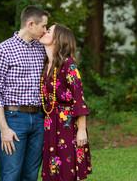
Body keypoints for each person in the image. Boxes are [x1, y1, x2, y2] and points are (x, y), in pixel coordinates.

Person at [0, 5, 50, 181]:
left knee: (31, 175)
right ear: (31, 24)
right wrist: (4, 128)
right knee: (11, 175)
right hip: (13, 119)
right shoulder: (2, 50)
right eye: (43, 26)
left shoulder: (41, 49)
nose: (45, 31)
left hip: (38, 119)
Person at [39, 23, 92, 181]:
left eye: (49, 31)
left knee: (67, 171)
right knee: (52, 170)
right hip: (50, 123)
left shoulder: (69, 64)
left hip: (68, 124)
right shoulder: (46, 65)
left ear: (57, 39)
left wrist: (81, 130)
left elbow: (79, 98)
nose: (44, 32)